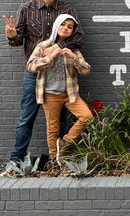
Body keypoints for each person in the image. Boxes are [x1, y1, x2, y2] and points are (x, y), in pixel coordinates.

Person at [1, 0, 84, 176]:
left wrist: (59, 47)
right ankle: (15, 161)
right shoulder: (27, 8)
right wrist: (12, 35)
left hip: (61, 78)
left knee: (61, 121)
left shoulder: (67, 10)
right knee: (26, 118)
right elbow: (17, 41)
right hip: (34, 76)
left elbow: (79, 38)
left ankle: (59, 160)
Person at [26, 14, 93, 163]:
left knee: (87, 117)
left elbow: (85, 70)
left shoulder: (73, 49)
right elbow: (30, 66)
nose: (66, 28)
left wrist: (73, 57)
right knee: (53, 128)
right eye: (63, 25)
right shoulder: (43, 46)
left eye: (70, 27)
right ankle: (55, 161)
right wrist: (51, 57)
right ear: (57, 26)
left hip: (70, 94)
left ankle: (65, 142)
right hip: (50, 95)